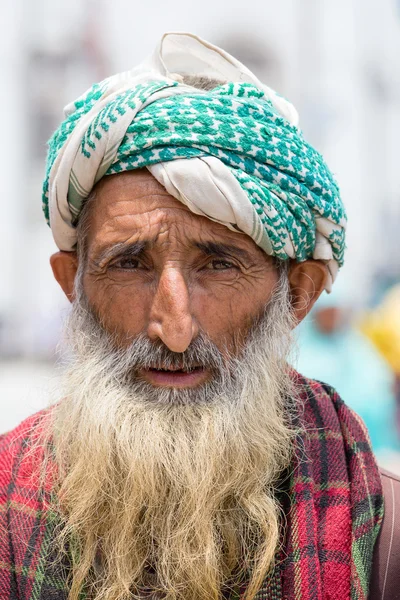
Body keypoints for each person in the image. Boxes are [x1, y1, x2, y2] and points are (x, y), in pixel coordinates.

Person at [0, 32, 397, 600]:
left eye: (218, 265)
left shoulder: (385, 537)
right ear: (73, 284)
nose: (175, 327)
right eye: (130, 264)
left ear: (297, 295)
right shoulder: (6, 512)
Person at [296, 284, 400, 455]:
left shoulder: (354, 347)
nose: (332, 318)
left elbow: (380, 387)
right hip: (315, 449)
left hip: (367, 446)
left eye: (336, 312)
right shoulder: (298, 351)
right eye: (327, 312)